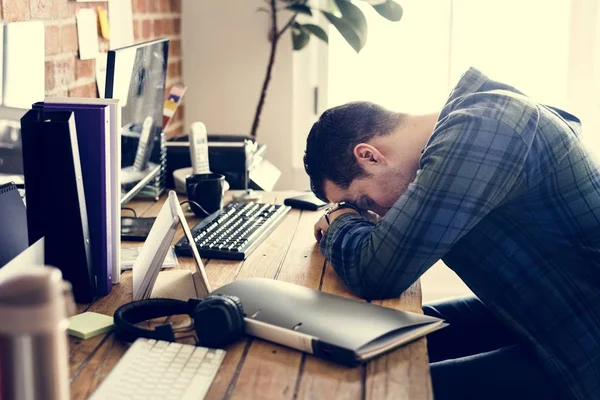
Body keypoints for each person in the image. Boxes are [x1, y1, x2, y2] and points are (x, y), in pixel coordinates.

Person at [303, 67, 600, 400]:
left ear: (369, 156)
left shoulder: (484, 129)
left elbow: (377, 272)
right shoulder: (472, 123)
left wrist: (340, 222)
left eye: (364, 201)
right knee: (372, 330)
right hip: (538, 312)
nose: (374, 214)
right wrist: (347, 221)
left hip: (584, 349)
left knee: (381, 391)